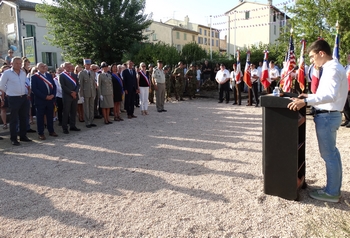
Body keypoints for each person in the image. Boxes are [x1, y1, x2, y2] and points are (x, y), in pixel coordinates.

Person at [287, 39, 348, 203]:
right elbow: (327, 94)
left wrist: (305, 102)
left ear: (322, 53)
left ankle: (332, 193)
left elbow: (330, 96)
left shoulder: (332, 69)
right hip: (329, 114)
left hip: (327, 116)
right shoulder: (332, 67)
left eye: (313, 57)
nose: (312, 61)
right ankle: (332, 189)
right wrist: (310, 96)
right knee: (332, 154)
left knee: (329, 156)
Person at [0, 57, 32, 145]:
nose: (18, 65)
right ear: (12, 64)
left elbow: (25, 84)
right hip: (13, 98)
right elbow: (2, 86)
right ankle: (13, 138)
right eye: (16, 63)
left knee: (23, 118)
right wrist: (8, 93)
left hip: (23, 97)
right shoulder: (6, 73)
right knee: (14, 119)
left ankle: (23, 136)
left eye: (20, 63)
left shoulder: (22, 73)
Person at [31, 62, 57, 140]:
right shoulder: (34, 77)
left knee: (50, 116)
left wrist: (53, 95)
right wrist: (45, 97)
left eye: (44, 66)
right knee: (40, 117)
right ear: (37, 68)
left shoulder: (49, 75)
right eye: (41, 66)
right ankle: (41, 133)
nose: (43, 67)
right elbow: (34, 89)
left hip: (50, 100)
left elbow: (54, 86)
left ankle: (51, 130)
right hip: (40, 100)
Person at [59, 62, 81, 134]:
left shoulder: (74, 75)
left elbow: (78, 85)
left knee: (73, 112)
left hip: (75, 96)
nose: (69, 67)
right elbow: (63, 86)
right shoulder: (62, 76)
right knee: (66, 112)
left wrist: (75, 92)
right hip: (67, 96)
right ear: (64, 68)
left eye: (70, 66)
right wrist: (71, 93)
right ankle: (64, 127)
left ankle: (72, 125)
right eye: (67, 66)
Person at [78, 59, 97, 128]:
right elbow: (81, 84)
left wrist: (94, 93)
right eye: (87, 64)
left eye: (89, 64)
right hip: (85, 93)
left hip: (92, 92)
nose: (88, 66)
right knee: (86, 108)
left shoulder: (92, 72)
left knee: (92, 107)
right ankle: (87, 122)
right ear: (84, 65)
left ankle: (91, 121)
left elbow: (93, 83)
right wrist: (81, 95)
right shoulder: (81, 73)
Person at [340, 53, 350, 127]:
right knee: (345, 105)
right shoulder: (346, 67)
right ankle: (347, 119)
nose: (348, 59)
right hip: (345, 88)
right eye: (348, 57)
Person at [0, 65, 10, 131]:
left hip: (11, 95)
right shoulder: (0, 76)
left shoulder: (11, 76)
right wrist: (2, 98)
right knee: (3, 109)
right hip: (3, 95)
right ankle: (4, 123)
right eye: (4, 69)